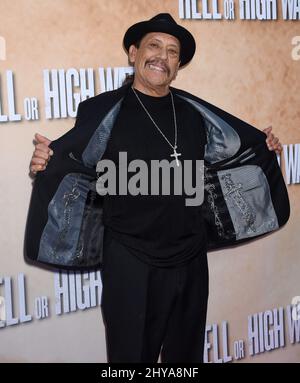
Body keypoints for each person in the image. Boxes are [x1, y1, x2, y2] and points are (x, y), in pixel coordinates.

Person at [25, 14, 289, 363]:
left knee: (186, 358)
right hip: (129, 258)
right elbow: (75, 163)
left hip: (190, 258)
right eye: (154, 46)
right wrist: (45, 162)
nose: (162, 57)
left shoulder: (195, 115)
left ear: (178, 66)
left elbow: (231, 159)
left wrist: (263, 148)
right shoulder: (101, 111)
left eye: (172, 52)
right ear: (134, 53)